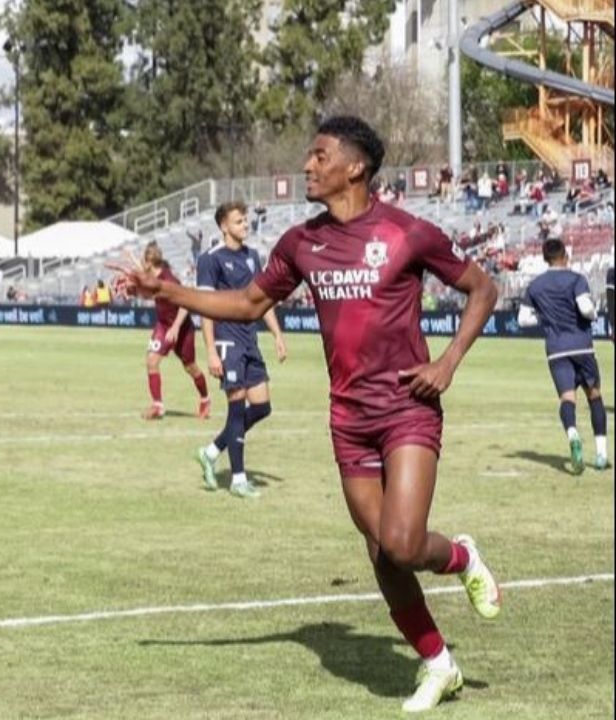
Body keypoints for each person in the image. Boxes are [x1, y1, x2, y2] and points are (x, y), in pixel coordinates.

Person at [110, 116, 502, 713]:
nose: (308, 166)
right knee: (379, 549)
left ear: (356, 167)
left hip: (407, 408)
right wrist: (165, 290)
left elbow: (483, 288)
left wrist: (447, 362)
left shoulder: (407, 232)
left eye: (320, 156)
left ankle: (462, 556)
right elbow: (246, 303)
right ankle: (438, 663)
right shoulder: (301, 243)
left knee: (400, 541)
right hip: (348, 415)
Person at [195, 201, 288, 498]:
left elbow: (261, 301)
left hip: (250, 339)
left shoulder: (252, 256)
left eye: (246, 221)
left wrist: (276, 334)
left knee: (262, 406)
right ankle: (237, 479)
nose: (245, 225)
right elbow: (205, 309)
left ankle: (211, 451)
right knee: (236, 408)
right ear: (224, 226)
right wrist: (210, 350)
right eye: (239, 221)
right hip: (226, 339)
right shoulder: (210, 260)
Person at [517, 239, 607, 472]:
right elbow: (586, 308)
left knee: (567, 399)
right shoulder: (577, 279)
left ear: (545, 258)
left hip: (556, 349)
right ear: (565, 255)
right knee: (594, 397)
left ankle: (573, 434)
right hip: (582, 347)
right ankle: (600, 455)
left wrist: (545, 319)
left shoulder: (535, 286)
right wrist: (594, 313)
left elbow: (523, 320)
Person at [141, 242, 211, 421]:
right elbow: (143, 282)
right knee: (151, 361)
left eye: (143, 258)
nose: (142, 262)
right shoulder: (152, 276)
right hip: (163, 325)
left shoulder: (169, 280)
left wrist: (176, 327)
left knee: (190, 367)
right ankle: (158, 406)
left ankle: (205, 398)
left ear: (150, 261)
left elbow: (185, 303)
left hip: (182, 328)